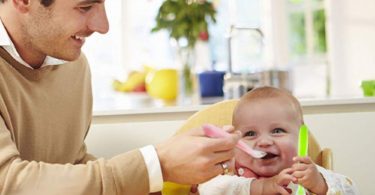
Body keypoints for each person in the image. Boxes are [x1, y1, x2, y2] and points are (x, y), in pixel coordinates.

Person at [0, 0, 241, 194]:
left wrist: (158, 182)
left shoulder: (73, 65)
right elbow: (9, 183)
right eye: (85, 7)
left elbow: (71, 166)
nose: (103, 26)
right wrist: (157, 164)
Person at [198, 86, 358, 195]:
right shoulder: (229, 171)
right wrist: (260, 187)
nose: (264, 142)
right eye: (250, 133)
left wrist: (319, 185)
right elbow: (206, 189)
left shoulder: (305, 173)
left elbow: (350, 189)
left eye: (277, 131)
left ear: (301, 136)